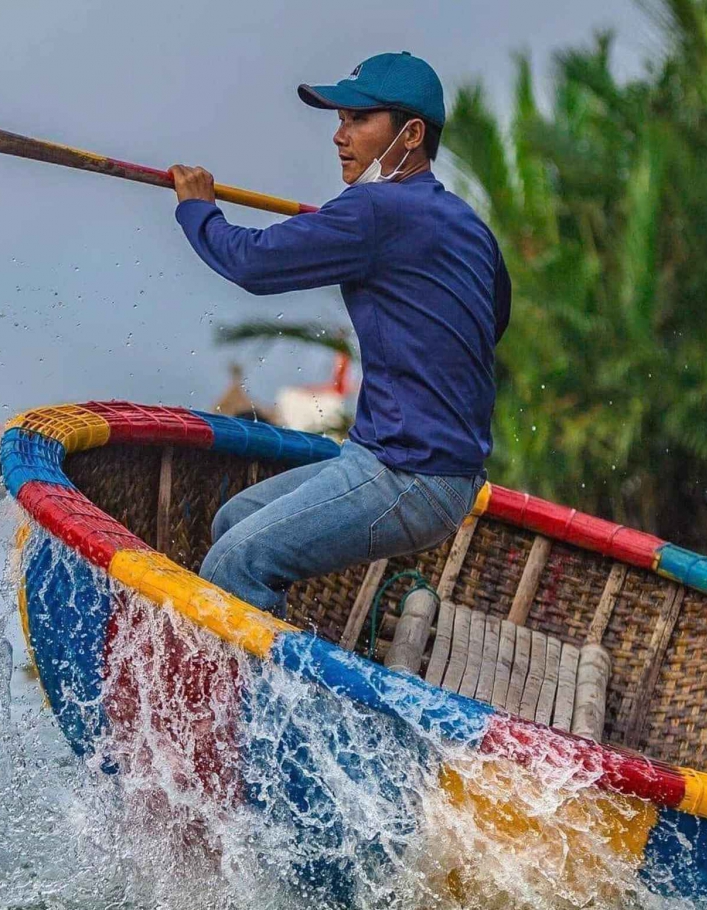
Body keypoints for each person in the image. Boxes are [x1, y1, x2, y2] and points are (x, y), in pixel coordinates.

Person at [169, 51, 510, 617]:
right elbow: (493, 318)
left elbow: (254, 264)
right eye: (339, 120)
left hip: (414, 476)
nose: (339, 136)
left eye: (357, 120)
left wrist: (198, 211)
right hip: (406, 463)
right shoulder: (463, 223)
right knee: (233, 522)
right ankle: (280, 649)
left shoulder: (375, 210)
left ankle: (267, 705)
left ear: (411, 134)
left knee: (234, 564)